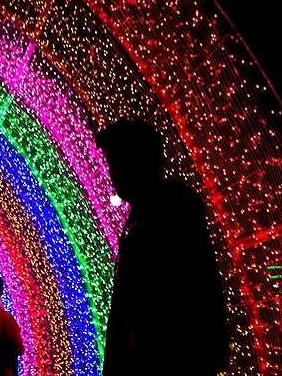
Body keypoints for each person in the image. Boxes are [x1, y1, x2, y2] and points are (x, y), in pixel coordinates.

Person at [97, 120, 229, 375]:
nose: (111, 172)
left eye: (114, 160)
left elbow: (190, 291)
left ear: (137, 159)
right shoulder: (144, 211)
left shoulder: (173, 206)